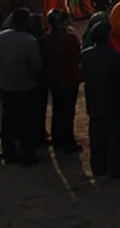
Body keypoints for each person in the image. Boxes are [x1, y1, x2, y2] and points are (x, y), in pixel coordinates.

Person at [80, 21, 120, 178]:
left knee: (96, 137)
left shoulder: (86, 55)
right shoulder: (114, 56)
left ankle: (98, 168)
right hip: (112, 102)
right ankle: (116, 169)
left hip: (93, 101)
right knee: (114, 139)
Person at [0, 8, 43, 164]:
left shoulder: (1, 37)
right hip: (24, 86)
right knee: (26, 122)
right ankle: (27, 155)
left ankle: (9, 154)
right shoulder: (29, 41)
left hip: (5, 85)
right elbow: (36, 66)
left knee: (8, 121)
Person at [42, 9, 82, 153]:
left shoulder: (46, 40)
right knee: (67, 112)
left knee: (58, 110)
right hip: (69, 79)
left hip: (54, 80)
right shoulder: (70, 39)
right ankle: (68, 141)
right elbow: (78, 55)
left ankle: (58, 139)